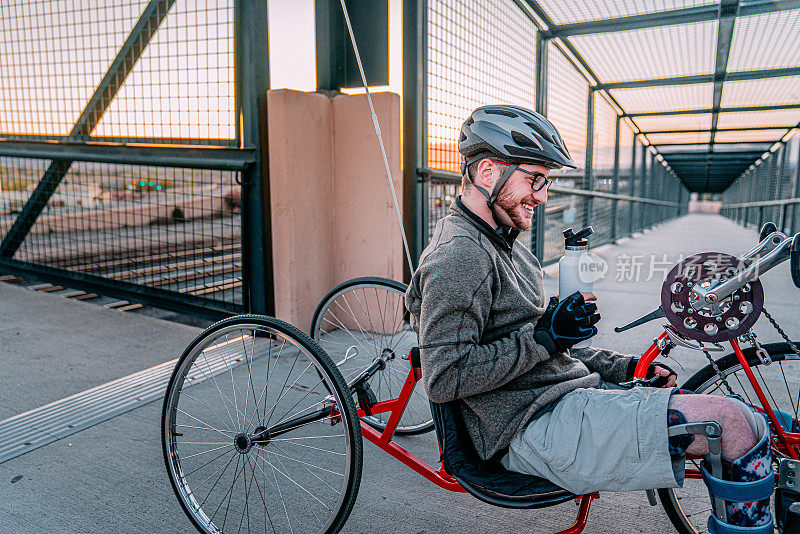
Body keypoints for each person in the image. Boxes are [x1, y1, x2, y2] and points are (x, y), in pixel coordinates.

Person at [405, 104, 775, 532]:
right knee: (729, 424)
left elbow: (547, 347)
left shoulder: (506, 244)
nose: (542, 196)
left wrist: (621, 366)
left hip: (565, 401)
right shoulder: (459, 257)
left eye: (546, 182)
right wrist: (544, 338)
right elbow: (444, 376)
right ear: (488, 172)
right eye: (535, 179)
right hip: (531, 428)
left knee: (753, 419)